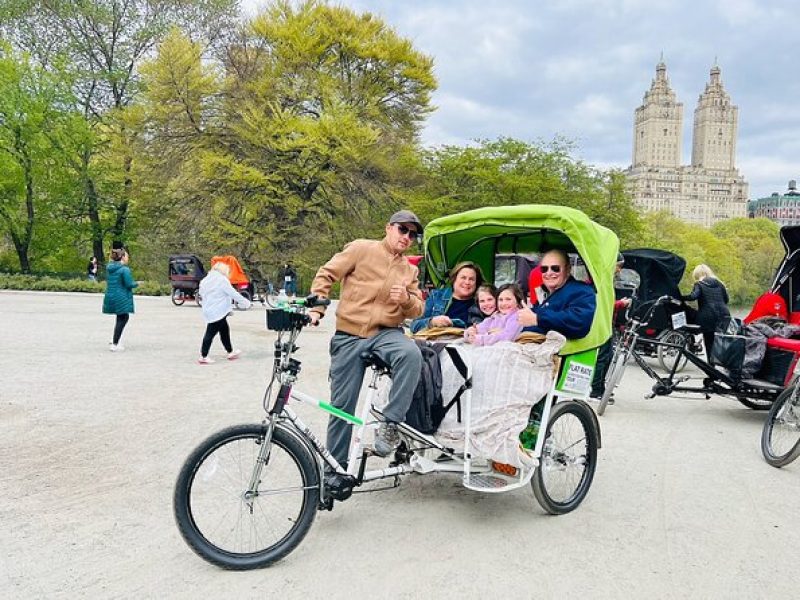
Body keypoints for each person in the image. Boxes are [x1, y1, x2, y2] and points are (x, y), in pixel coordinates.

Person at [308, 209, 425, 470]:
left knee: (411, 354)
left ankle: (390, 424)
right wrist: (317, 308)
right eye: (402, 229)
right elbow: (327, 274)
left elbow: (418, 308)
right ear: (388, 228)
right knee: (341, 408)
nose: (407, 237)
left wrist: (406, 299)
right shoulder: (362, 249)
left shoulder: (410, 270)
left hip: (386, 333)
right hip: (349, 335)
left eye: (412, 234)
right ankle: (334, 469)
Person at [518, 249, 597, 338]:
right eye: (544, 269)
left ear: (568, 269)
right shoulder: (544, 293)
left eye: (555, 268)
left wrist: (537, 319)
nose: (549, 273)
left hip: (556, 348)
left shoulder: (582, 291)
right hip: (530, 342)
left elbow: (579, 321)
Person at [590, 254, 632, 400]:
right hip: (601, 324)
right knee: (602, 357)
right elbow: (603, 304)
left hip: (606, 323)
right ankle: (596, 390)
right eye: (619, 266)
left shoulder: (603, 278)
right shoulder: (601, 279)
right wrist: (621, 304)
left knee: (607, 357)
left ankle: (600, 387)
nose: (619, 270)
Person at [198, 262, 252, 364]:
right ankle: (203, 356)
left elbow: (201, 294)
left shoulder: (205, 280)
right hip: (218, 311)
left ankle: (230, 351)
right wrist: (246, 303)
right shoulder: (222, 280)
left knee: (224, 331)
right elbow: (233, 293)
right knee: (210, 333)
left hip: (210, 309)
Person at [409, 261, 484, 333]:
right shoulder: (436, 296)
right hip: (437, 342)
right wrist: (432, 322)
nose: (467, 282)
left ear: (476, 283)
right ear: (454, 279)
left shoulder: (482, 302)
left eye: (471, 279)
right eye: (463, 278)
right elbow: (414, 326)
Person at [681, 264, 730, 356]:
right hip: (724, 316)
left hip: (707, 316)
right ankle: (722, 362)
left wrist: (680, 297)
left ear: (697, 275)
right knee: (720, 340)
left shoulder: (699, 284)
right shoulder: (720, 284)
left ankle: (710, 366)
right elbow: (726, 300)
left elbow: (693, 297)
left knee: (709, 341)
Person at [103, 247, 137, 352]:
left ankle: (116, 338)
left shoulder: (110, 268)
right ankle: (115, 343)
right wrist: (137, 284)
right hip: (121, 296)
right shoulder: (124, 269)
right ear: (122, 257)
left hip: (111, 295)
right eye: (127, 256)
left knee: (120, 318)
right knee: (123, 318)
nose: (128, 258)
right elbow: (128, 284)